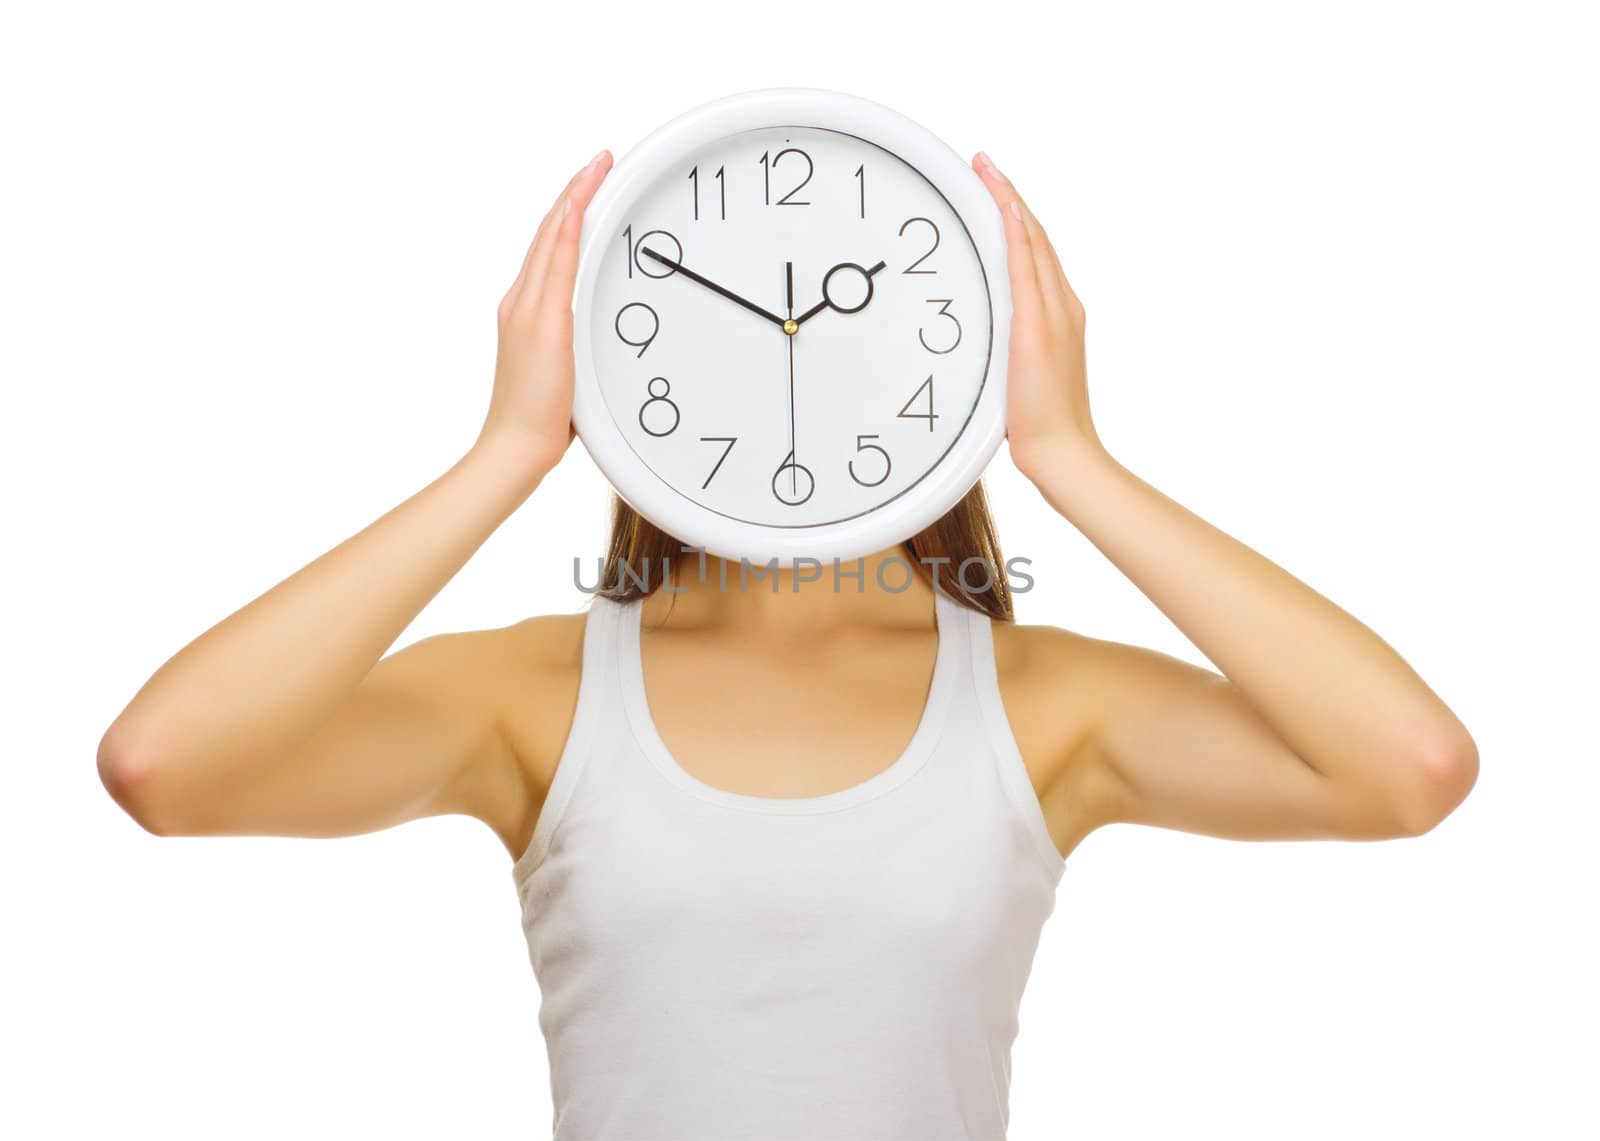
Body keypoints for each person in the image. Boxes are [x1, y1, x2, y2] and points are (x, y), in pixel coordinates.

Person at [97, 147, 1478, 1140]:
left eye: (838, 327)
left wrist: (1074, 455)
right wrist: (505, 451)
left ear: (946, 369)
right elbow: (165, 764)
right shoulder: (540, 692)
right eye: (728, 331)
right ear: (635, 372)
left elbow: (1409, 765)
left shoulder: (1032, 699)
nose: (784, 361)